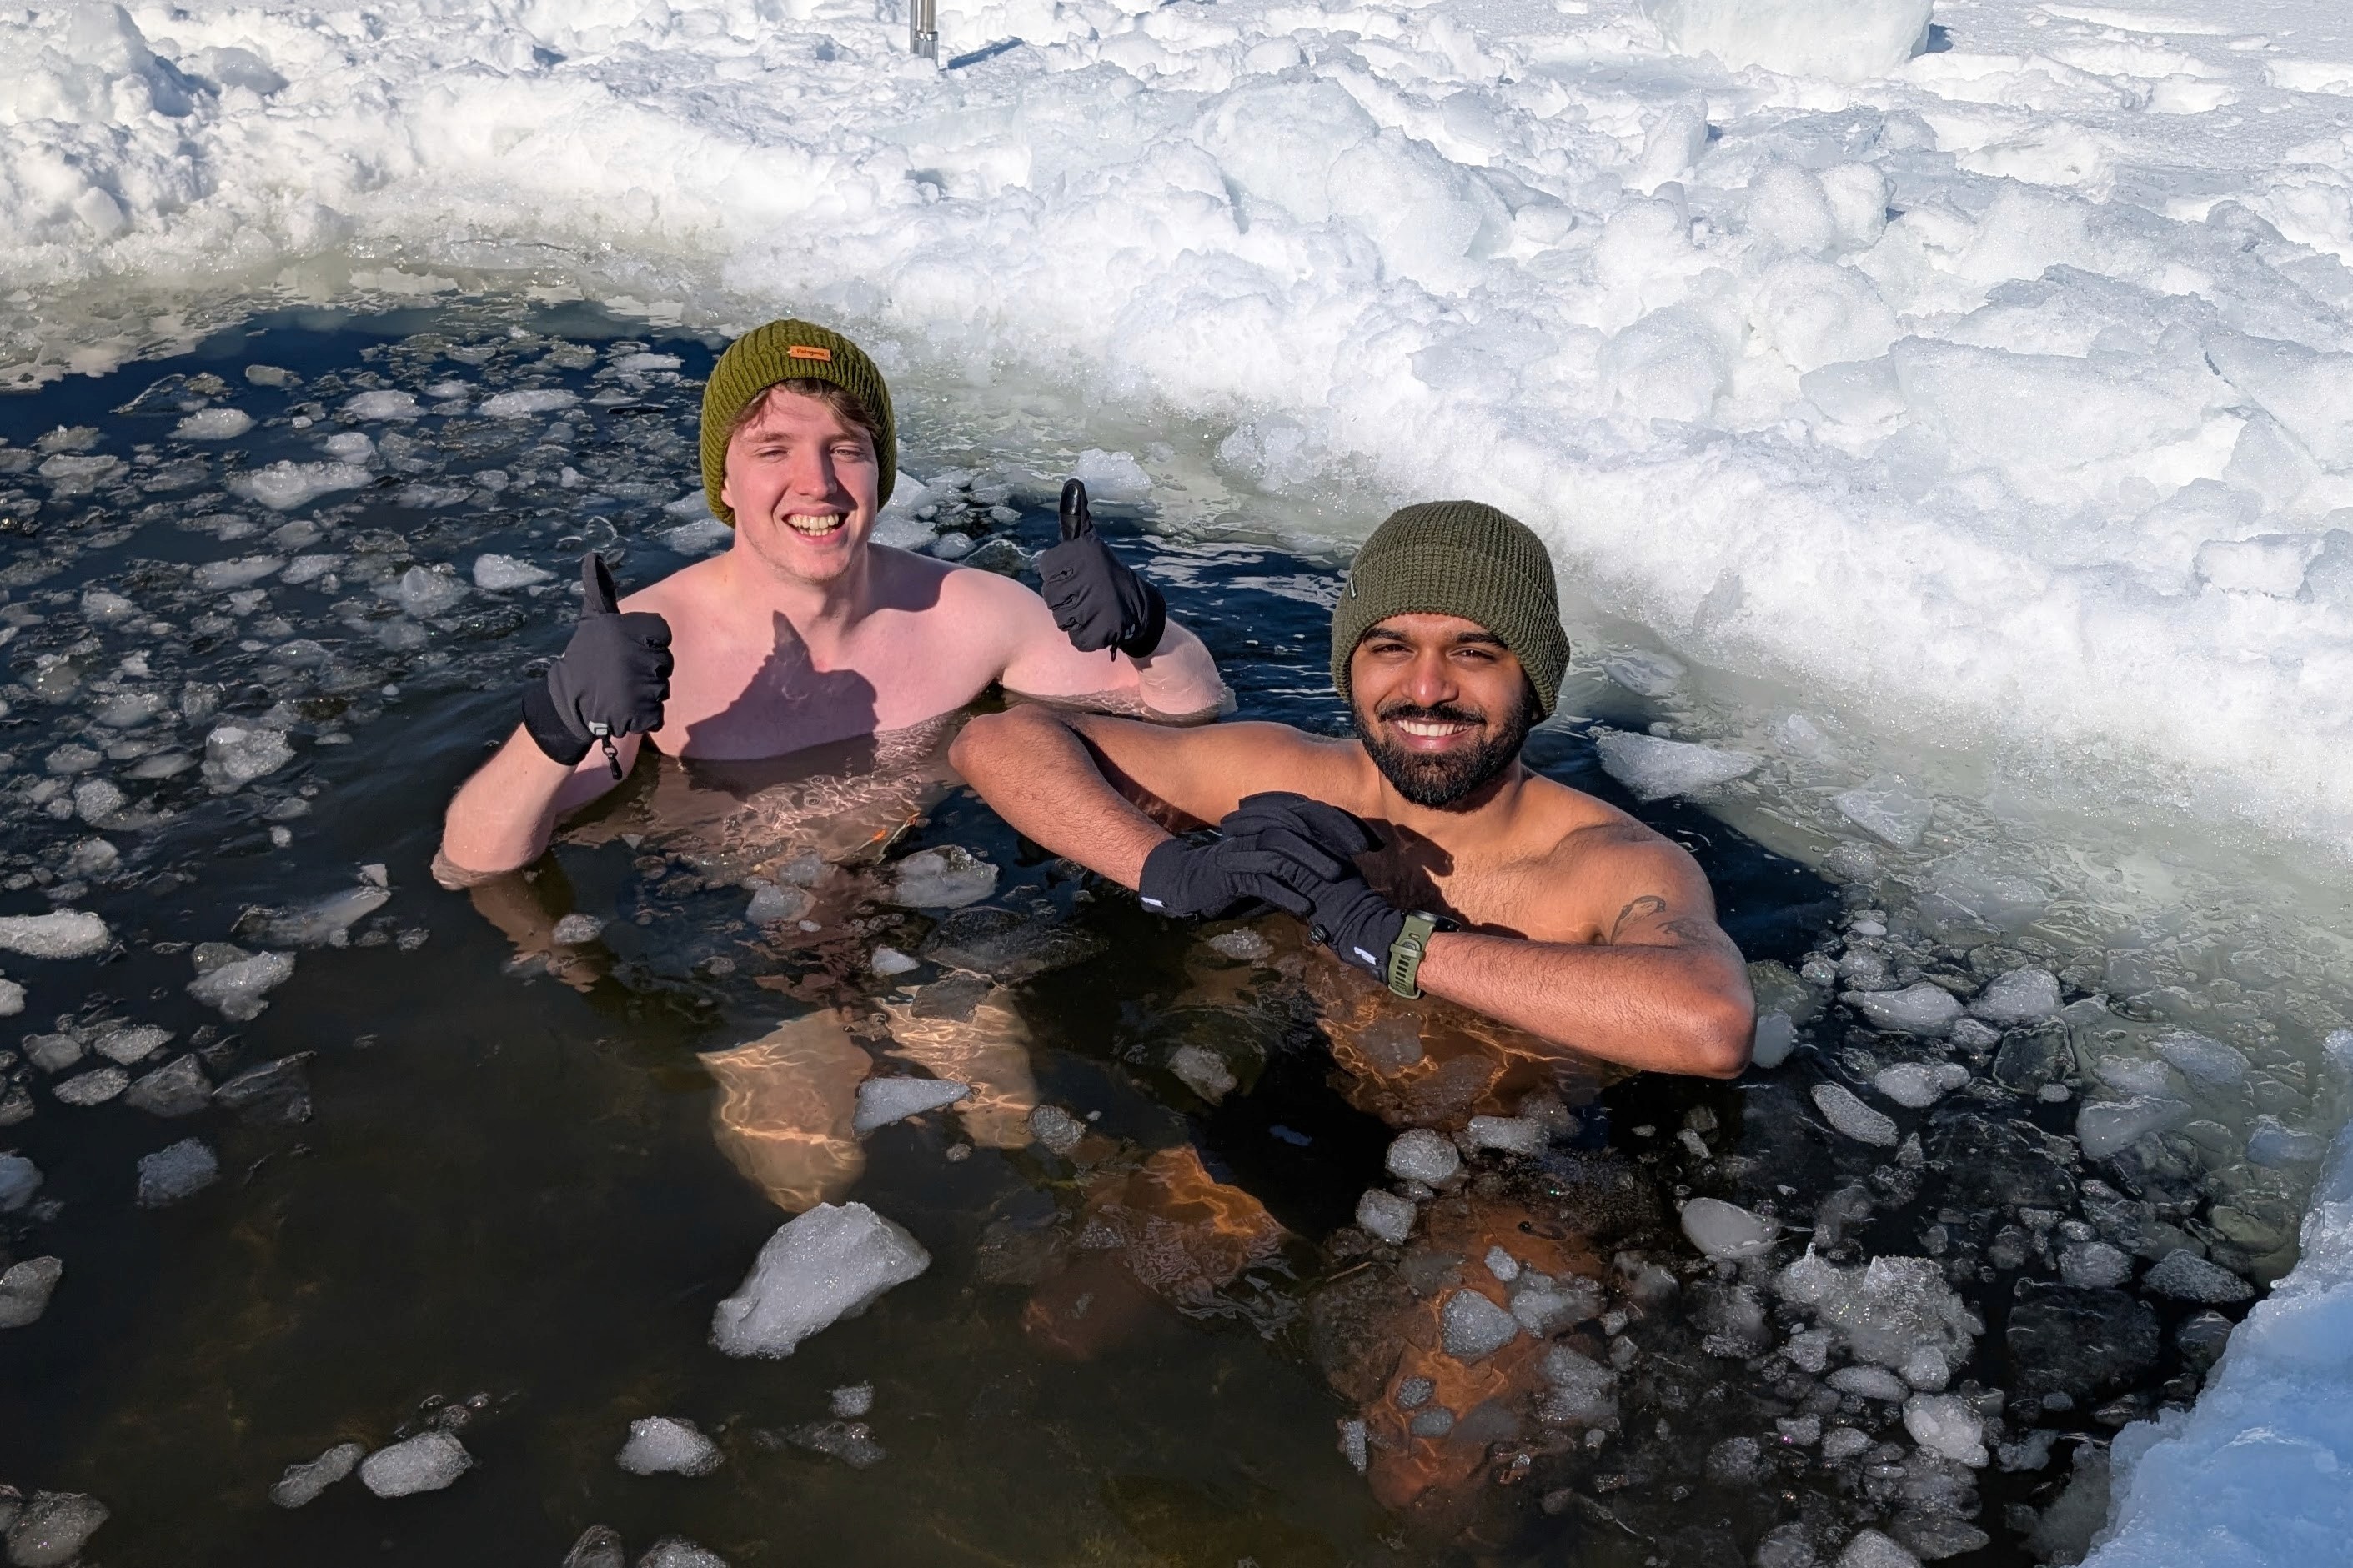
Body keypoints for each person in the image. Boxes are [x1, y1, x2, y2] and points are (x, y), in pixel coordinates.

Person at [949, 499, 1755, 1080]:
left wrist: (1396, 941)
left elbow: (1712, 1022)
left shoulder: (1604, 862)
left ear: (1535, 683)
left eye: (1474, 653)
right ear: (1350, 669)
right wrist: (1170, 871)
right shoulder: (1284, 771)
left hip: (1494, 1164)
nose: (1427, 688)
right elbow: (998, 741)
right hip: (1264, 1088)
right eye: (1391, 647)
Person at [435, 317, 1227, 884]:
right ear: (723, 481)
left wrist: (1149, 628)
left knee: (1007, 1098)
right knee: (798, 1113)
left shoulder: (966, 610)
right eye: (773, 450)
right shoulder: (649, 650)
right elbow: (473, 861)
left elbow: (1189, 714)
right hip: (733, 934)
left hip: (928, 894)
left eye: (846, 450)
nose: (817, 484)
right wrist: (556, 726)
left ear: (880, 475)